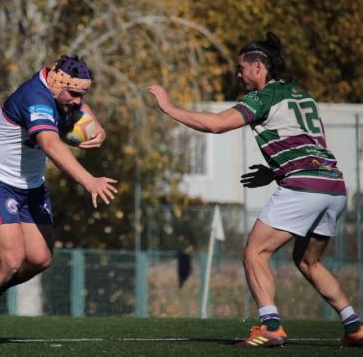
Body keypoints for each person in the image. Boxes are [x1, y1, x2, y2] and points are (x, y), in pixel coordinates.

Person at [147, 32, 362, 348]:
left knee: (254, 252)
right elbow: (302, 142)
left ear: (259, 67)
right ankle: (355, 328)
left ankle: (271, 326)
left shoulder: (263, 97)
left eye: (241, 67)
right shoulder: (301, 95)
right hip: (332, 186)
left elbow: (216, 125)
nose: (238, 73)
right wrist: (276, 170)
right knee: (308, 262)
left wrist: (169, 108)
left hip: (303, 187)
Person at [0, 55, 117, 342]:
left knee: (39, 258)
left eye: (82, 95)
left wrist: (100, 130)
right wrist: (89, 180)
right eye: (73, 94)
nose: (76, 101)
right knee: (10, 260)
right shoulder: (34, 97)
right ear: (57, 81)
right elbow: (49, 144)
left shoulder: (64, 93)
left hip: (30, 187)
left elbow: (82, 108)